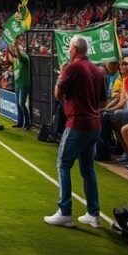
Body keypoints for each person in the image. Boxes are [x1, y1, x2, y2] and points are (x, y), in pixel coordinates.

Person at [44, 36, 107, 228]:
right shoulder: (97, 70)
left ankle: (65, 211)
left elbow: (58, 94)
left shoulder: (72, 68)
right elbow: (103, 102)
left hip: (77, 124)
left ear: (73, 49)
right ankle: (93, 214)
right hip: (94, 125)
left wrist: (61, 76)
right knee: (88, 169)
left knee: (63, 164)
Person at [9, 42, 31, 130]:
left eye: (19, 50)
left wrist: (16, 47)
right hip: (17, 84)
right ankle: (20, 122)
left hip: (24, 84)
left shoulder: (25, 58)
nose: (17, 52)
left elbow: (20, 55)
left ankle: (28, 123)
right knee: (18, 104)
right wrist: (12, 46)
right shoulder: (16, 62)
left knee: (22, 103)